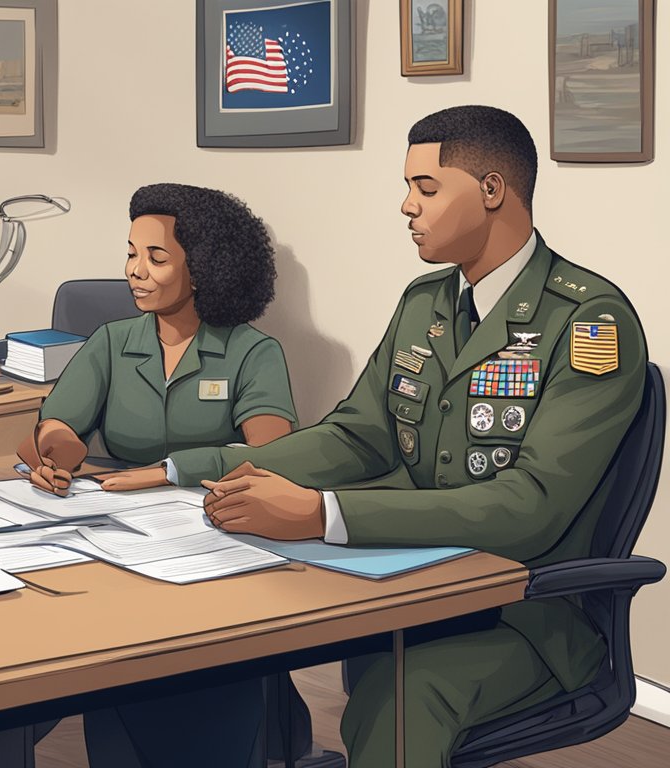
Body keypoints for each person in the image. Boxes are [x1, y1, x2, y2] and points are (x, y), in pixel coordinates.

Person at [110, 106, 648, 766]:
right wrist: (193, 469)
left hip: (524, 612)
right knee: (229, 629)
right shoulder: (426, 302)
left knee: (400, 701)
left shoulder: (588, 319)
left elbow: (529, 506)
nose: (406, 206)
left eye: (426, 189)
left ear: (490, 192)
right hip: (410, 582)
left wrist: (323, 514)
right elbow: (357, 435)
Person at [17, 184, 300, 768]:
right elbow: (55, 426)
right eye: (130, 254)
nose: (135, 273)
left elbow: (272, 455)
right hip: (113, 535)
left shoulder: (253, 352)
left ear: (203, 269)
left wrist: (169, 474)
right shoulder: (112, 343)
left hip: (217, 533)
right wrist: (56, 454)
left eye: (156, 258)